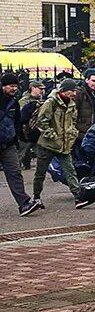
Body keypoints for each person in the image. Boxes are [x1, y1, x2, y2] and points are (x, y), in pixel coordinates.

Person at [32, 79, 87, 209]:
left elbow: (73, 121)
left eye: (75, 90)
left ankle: (78, 197)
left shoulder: (71, 104)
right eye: (72, 90)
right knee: (40, 172)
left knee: (70, 171)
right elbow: (42, 122)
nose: (74, 93)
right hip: (48, 145)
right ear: (63, 90)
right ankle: (36, 197)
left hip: (64, 144)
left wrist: (72, 134)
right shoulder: (51, 102)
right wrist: (53, 136)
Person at [0, 74, 40, 216]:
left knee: (15, 173)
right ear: (3, 86)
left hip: (8, 144)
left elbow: (17, 123)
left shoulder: (14, 103)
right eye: (11, 86)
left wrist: (18, 140)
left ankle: (24, 203)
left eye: (16, 87)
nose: (14, 89)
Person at [17, 80, 45, 169]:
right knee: (21, 154)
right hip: (26, 132)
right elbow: (21, 117)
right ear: (33, 88)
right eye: (40, 89)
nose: (42, 91)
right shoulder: (24, 101)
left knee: (42, 154)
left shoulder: (40, 100)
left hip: (36, 132)